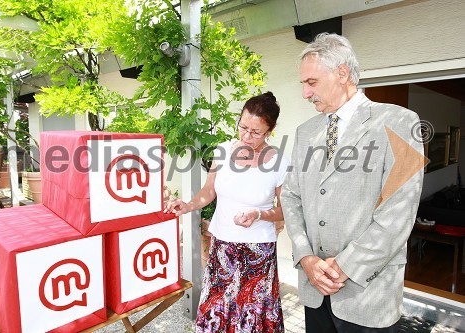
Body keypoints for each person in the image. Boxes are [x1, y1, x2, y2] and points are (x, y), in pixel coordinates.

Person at [281, 33, 425, 332]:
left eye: (312, 82)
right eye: (303, 84)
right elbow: (291, 196)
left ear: (342, 73)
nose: (306, 94)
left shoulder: (402, 122)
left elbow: (398, 215)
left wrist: (344, 266)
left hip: (368, 297)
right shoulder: (305, 132)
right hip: (314, 290)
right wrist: (305, 256)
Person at [165, 91, 289, 332]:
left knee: (252, 318)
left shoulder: (279, 162)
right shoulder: (222, 151)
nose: (246, 136)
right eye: (243, 127)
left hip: (259, 253)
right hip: (222, 247)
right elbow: (208, 191)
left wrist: (259, 215)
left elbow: (285, 210)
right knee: (217, 312)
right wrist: (187, 205)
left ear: (269, 132)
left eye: (255, 132)